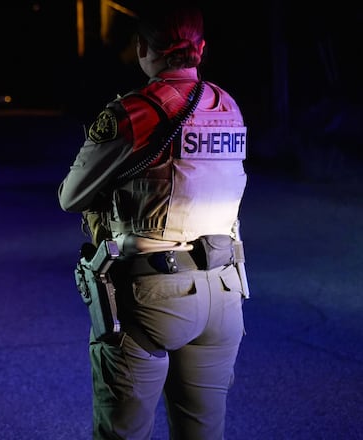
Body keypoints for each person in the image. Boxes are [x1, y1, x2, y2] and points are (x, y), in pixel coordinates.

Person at [58, 3, 249, 439]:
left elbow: (71, 196)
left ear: (143, 47)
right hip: (223, 289)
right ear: (201, 48)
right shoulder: (229, 108)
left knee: (123, 432)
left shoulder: (136, 112)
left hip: (150, 295)